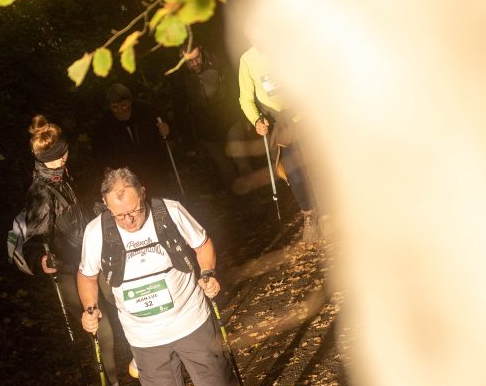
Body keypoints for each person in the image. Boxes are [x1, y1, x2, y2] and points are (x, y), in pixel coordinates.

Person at [77, 167, 253, 386]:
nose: (129, 220)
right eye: (120, 215)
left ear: (143, 193)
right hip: (144, 336)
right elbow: (87, 275)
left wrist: (208, 273)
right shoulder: (96, 232)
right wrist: (90, 309)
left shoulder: (169, 211)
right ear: (106, 206)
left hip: (191, 318)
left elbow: (203, 245)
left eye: (134, 211)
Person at [20, 115, 145, 386]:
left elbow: (78, 216)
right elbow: (33, 237)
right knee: (101, 330)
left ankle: (143, 361)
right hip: (68, 271)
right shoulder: (40, 192)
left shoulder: (65, 176)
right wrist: (40, 259)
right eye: (55, 157)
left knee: (123, 301)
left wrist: (98, 211)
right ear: (42, 160)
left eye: (63, 152)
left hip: (92, 258)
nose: (62, 158)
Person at [237, 28, 320, 241]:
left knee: (318, 163)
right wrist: (257, 120)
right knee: (294, 173)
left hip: (304, 115)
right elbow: (246, 99)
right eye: (253, 33)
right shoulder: (247, 60)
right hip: (280, 124)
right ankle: (309, 215)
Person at [176, 44, 251, 191]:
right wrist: (187, 140)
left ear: (201, 51)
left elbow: (235, 90)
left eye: (197, 58)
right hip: (206, 128)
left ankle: (254, 195)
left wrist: (244, 117)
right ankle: (239, 198)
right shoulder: (180, 76)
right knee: (224, 166)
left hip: (229, 120)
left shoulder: (218, 64)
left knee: (241, 160)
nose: (195, 63)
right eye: (189, 61)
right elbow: (179, 107)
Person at [91, 83, 176, 197]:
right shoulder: (104, 124)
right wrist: (106, 168)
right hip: (127, 173)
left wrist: (166, 130)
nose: (120, 110)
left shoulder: (146, 111)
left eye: (123, 105)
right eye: (115, 107)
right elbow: (99, 151)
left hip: (153, 166)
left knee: (161, 195)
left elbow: (166, 127)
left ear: (130, 102)